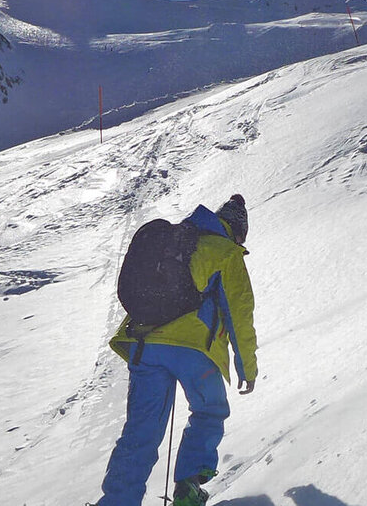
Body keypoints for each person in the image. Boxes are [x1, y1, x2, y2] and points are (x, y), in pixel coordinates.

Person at [99, 195, 258, 506]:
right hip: (194, 351)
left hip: (145, 346)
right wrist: (247, 368)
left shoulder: (175, 240)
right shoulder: (226, 252)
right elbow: (240, 313)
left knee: (140, 431)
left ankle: (117, 501)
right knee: (209, 410)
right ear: (238, 232)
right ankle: (188, 488)